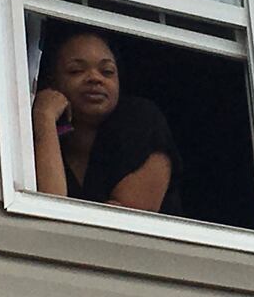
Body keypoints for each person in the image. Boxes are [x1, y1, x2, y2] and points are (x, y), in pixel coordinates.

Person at [31, 25, 181, 214]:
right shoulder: (43, 142)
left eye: (107, 71)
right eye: (76, 71)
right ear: (53, 83)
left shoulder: (141, 120)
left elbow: (123, 220)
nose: (95, 78)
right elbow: (49, 211)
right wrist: (44, 118)